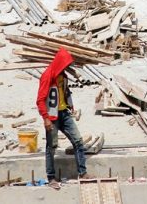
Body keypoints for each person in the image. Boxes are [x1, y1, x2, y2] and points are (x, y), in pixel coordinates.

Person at [36, 48, 88, 189]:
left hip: (64, 114)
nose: (67, 67)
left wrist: (70, 105)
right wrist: (45, 118)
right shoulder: (47, 76)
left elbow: (65, 91)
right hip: (52, 117)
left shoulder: (62, 75)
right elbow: (40, 100)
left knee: (78, 141)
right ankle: (51, 177)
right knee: (51, 147)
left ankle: (82, 173)